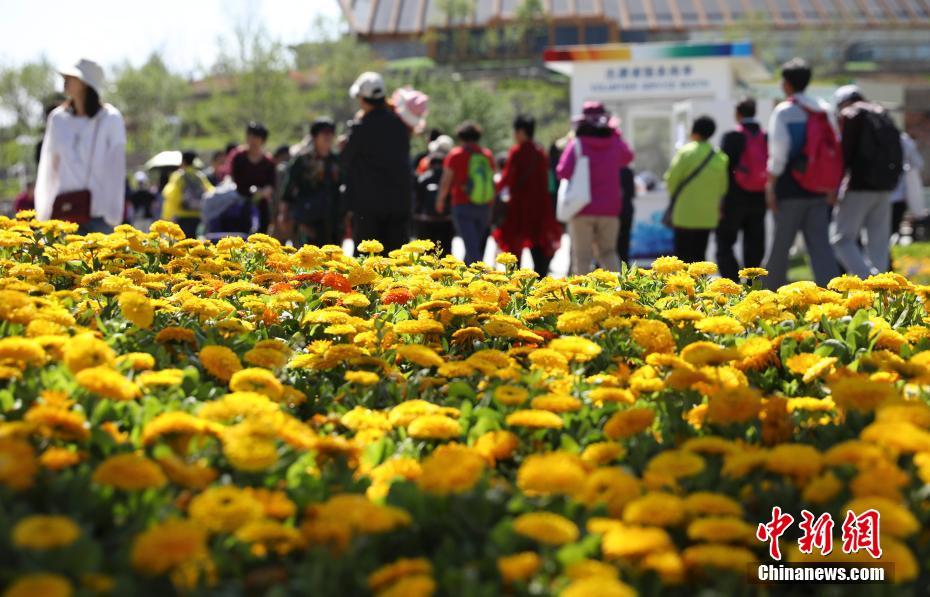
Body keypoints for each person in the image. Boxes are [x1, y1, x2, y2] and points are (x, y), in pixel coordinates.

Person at [764, 58, 841, 289]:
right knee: (820, 247)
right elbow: (835, 150)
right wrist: (831, 186)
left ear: (786, 84)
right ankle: (833, 297)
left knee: (780, 246)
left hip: (790, 189)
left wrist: (771, 186)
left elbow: (779, 153)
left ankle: (768, 298)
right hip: (818, 189)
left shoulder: (785, 111)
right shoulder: (824, 109)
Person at [34, 59, 126, 234]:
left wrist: (114, 214)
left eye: (72, 76)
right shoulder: (57, 119)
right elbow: (49, 166)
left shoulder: (110, 118)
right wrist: (43, 213)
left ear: (86, 82)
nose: (65, 78)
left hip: (100, 215)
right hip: (64, 212)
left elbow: (116, 169)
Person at [831, 85, 903, 278]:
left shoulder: (851, 113)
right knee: (878, 244)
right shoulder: (881, 113)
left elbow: (844, 154)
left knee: (841, 240)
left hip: (858, 186)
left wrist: (835, 187)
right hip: (885, 188)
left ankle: (867, 281)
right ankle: (879, 293)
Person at [556, 102, 634, 275]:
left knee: (582, 256)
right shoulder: (614, 142)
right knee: (608, 253)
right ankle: (620, 293)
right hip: (610, 210)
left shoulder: (577, 143)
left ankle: (582, 298)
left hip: (581, 208)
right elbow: (628, 157)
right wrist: (615, 133)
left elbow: (562, 172)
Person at [341, 71, 412, 253]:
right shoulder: (400, 125)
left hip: (368, 208)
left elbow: (346, 161)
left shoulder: (360, 128)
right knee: (396, 262)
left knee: (367, 263)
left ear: (363, 99)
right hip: (399, 205)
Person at [494, 115, 562, 276]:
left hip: (520, 207)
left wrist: (495, 192)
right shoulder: (541, 152)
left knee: (513, 249)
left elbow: (507, 179)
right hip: (540, 207)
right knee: (539, 247)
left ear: (521, 131)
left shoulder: (517, 152)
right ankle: (540, 285)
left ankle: (514, 286)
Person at [716, 98, 768, 281]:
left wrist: (719, 198)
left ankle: (732, 283)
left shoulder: (731, 136)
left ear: (738, 114)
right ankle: (752, 284)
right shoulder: (765, 136)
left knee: (725, 242)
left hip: (733, 198)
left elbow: (722, 167)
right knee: (754, 243)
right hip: (759, 197)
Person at [664, 116, 729, 263]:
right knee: (700, 256)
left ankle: (682, 286)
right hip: (707, 214)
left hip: (684, 213)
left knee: (682, 257)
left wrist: (674, 195)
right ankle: (701, 285)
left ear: (694, 131)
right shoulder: (720, 157)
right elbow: (723, 188)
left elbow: (671, 179)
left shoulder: (685, 152)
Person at [436, 122, 496, 265]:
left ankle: (478, 280)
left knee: (472, 249)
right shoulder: (486, 155)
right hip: (483, 206)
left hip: (462, 205)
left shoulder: (456, 154)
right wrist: (491, 206)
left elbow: (446, 181)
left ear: (461, 137)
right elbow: (491, 181)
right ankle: (466, 279)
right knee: (473, 246)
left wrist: (440, 200)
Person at [278, 118, 342, 247]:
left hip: (333, 220)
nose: (328, 136)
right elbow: (288, 189)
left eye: (331, 133)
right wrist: (284, 214)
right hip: (307, 221)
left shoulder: (337, 160)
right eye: (324, 132)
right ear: (315, 136)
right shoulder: (303, 160)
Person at [230, 122, 276, 234]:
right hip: (240, 203)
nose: (252, 140)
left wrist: (264, 191)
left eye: (256, 137)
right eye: (250, 136)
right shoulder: (239, 157)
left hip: (262, 205)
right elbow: (236, 180)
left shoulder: (268, 162)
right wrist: (251, 191)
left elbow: (272, 184)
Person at [161, 150, 213, 238]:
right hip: (197, 215)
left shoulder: (178, 176)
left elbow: (171, 196)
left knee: (182, 244)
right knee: (194, 243)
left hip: (182, 215)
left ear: (183, 161)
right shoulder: (200, 176)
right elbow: (210, 192)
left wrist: (167, 217)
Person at [413, 150, 455, 255]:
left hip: (425, 220)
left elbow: (417, 198)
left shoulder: (422, 178)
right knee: (445, 253)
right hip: (446, 219)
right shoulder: (448, 178)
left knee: (425, 254)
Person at [891, 131, 927, 239]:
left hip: (879, 191)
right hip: (899, 196)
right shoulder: (904, 140)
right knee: (891, 228)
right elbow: (919, 163)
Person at [617, 167, 636, 264]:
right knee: (624, 246)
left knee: (608, 248)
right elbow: (632, 193)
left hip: (613, 214)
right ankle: (625, 272)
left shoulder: (608, 169)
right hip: (626, 212)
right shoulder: (628, 171)